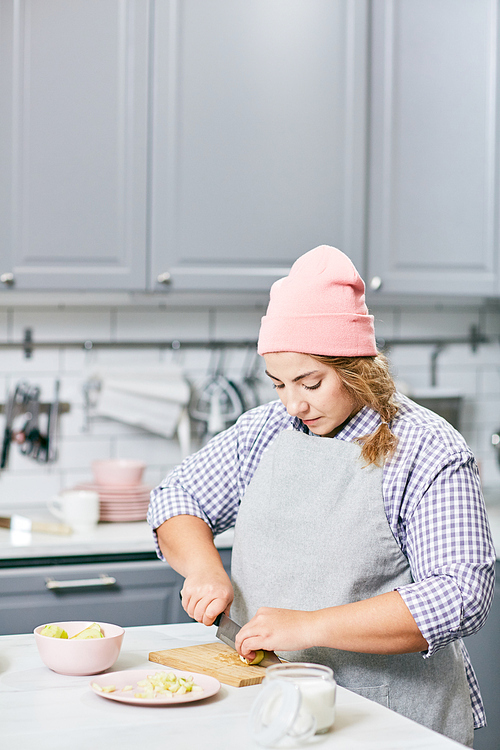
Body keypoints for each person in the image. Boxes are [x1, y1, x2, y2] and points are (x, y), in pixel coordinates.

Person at [148, 245, 495, 746]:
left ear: (356, 367)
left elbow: (460, 595)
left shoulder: (428, 447)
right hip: (274, 706)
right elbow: (177, 496)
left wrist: (308, 628)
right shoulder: (264, 430)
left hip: (392, 719)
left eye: (310, 381)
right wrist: (203, 568)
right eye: (278, 384)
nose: (294, 403)